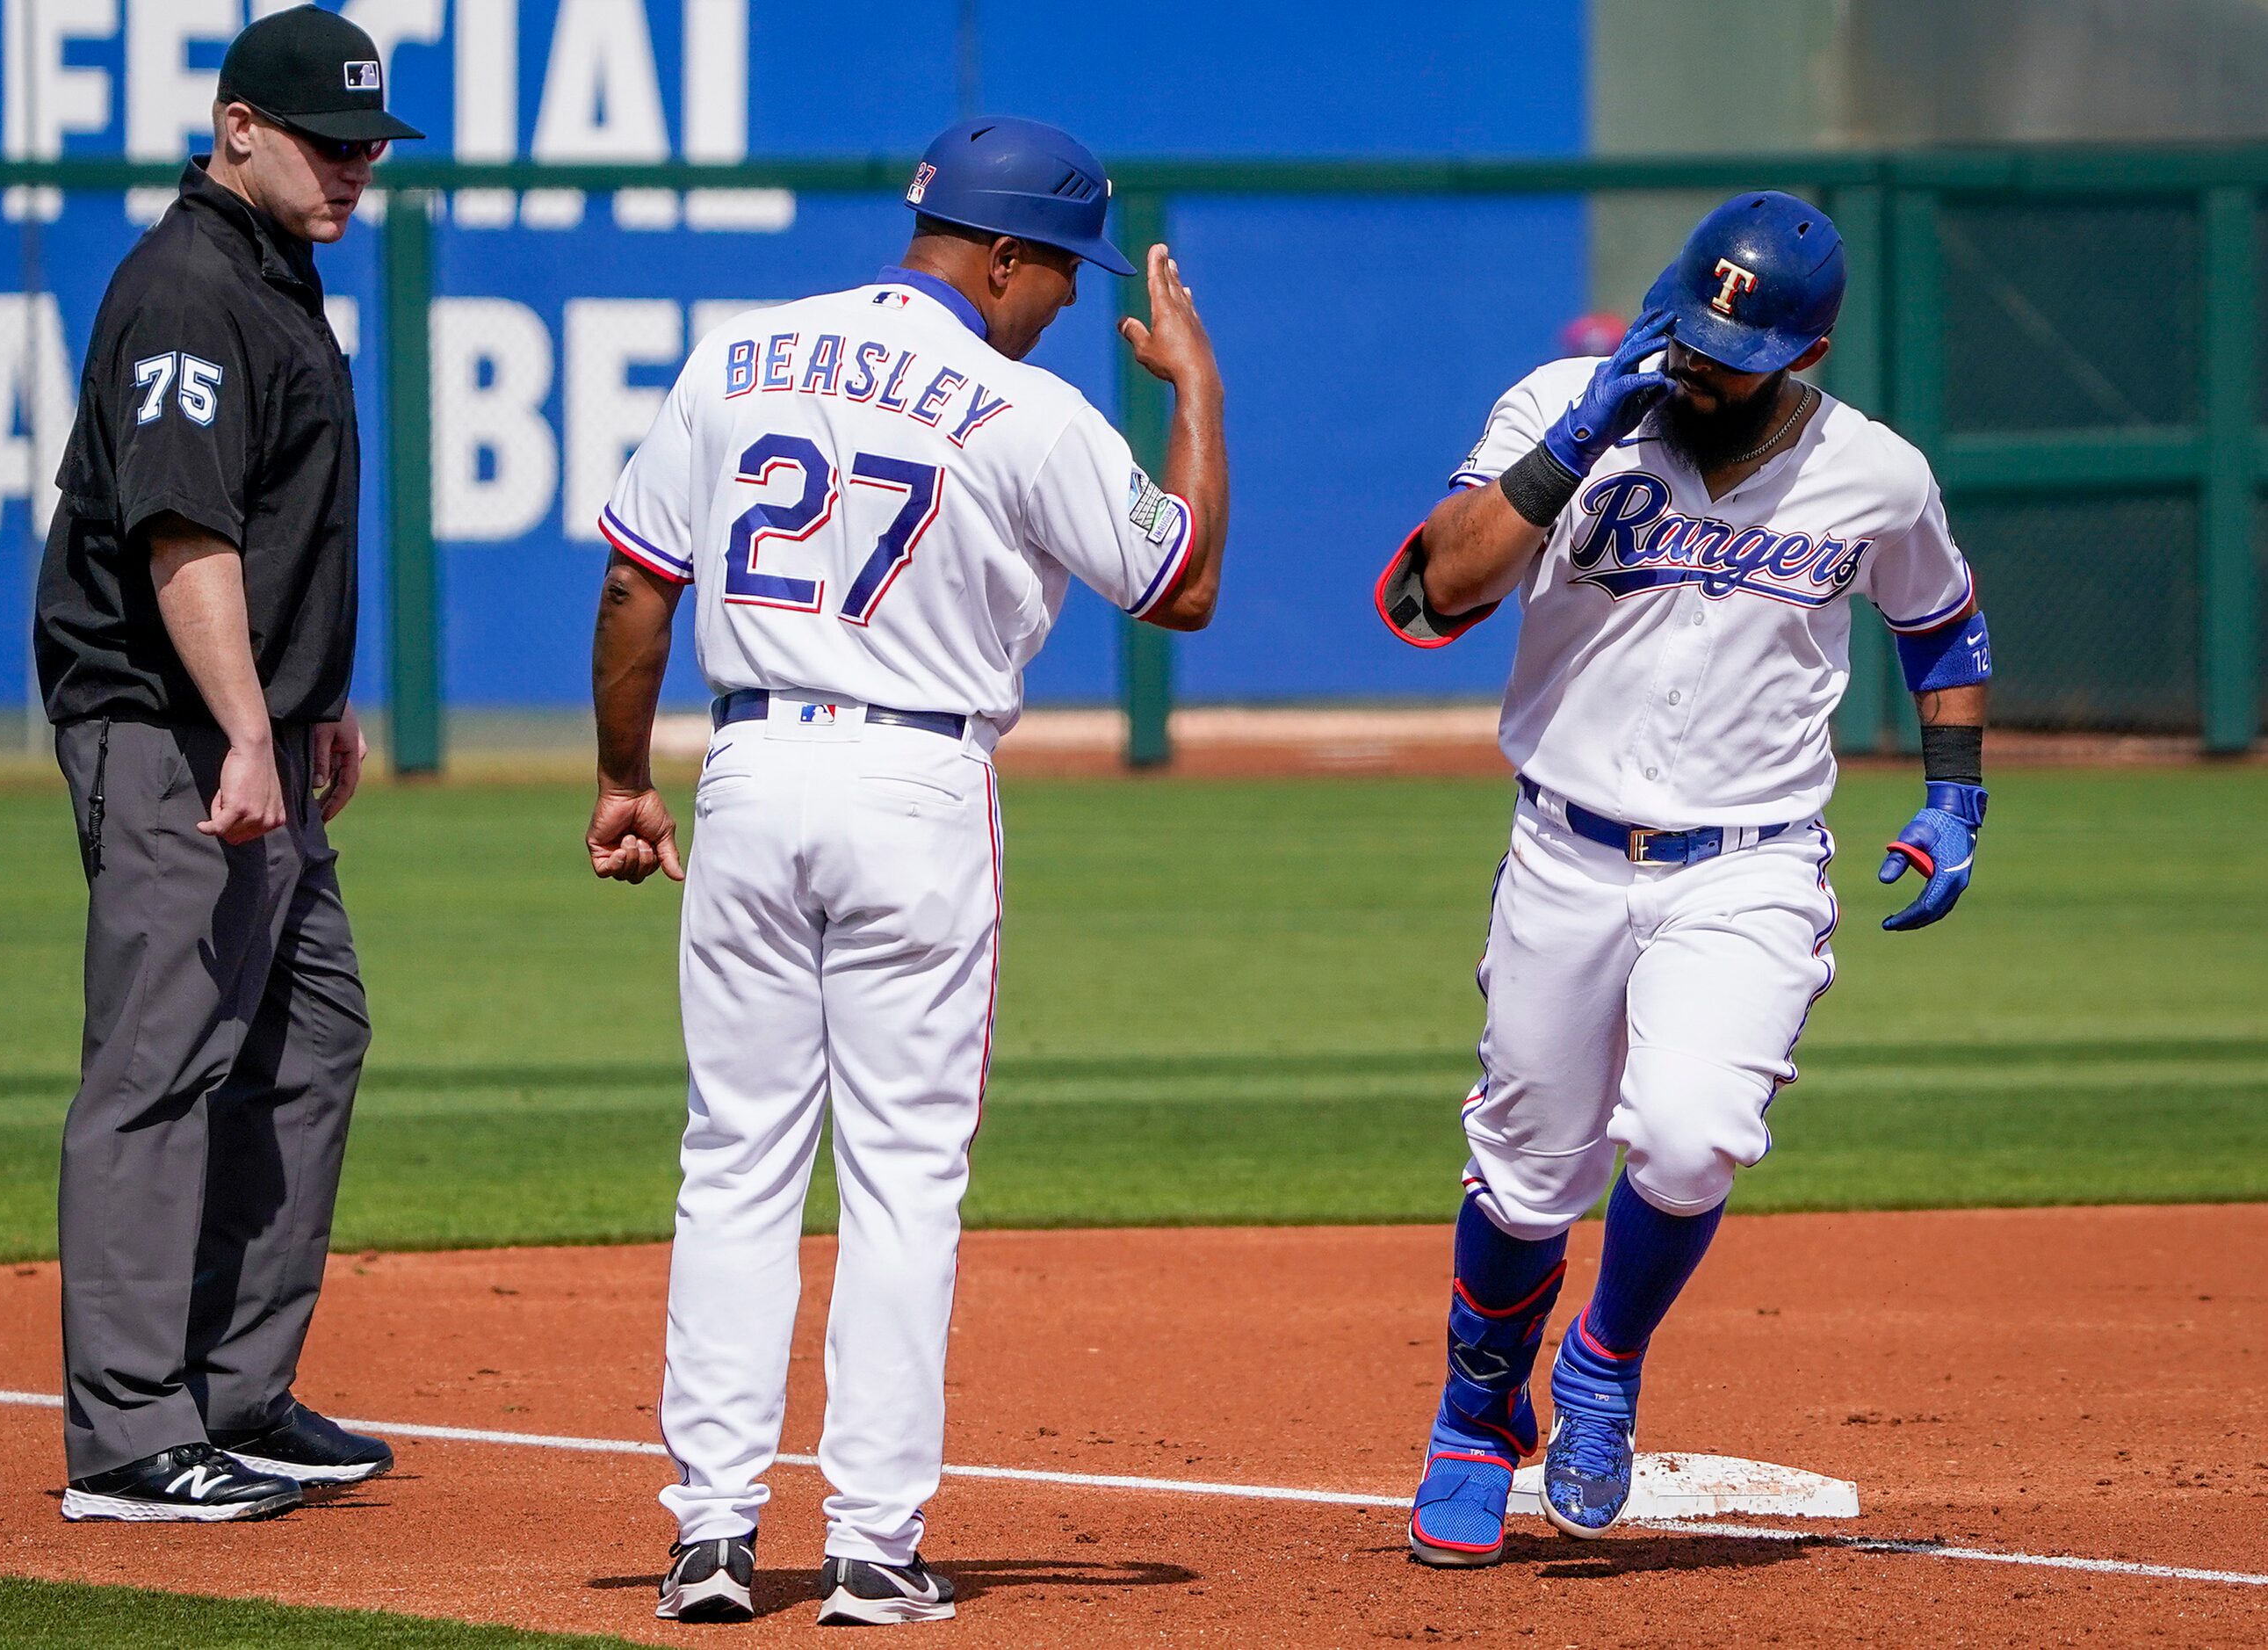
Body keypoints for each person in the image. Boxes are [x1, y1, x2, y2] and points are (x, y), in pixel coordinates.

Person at [589, 117, 1229, 1625]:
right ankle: (873, 1544)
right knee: (900, 1179)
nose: (1067, 298)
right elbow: (1181, 580)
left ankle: (712, 1534)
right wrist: (1194, 386)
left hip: (745, 770)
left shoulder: (735, 358)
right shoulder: (1022, 406)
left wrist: (624, 776)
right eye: (1056, 270)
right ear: (1000, 255)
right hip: (913, 782)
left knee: (733, 1160)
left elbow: (635, 583)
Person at [1376, 192, 1992, 1564]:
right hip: (1563, 849)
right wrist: (1573, 439)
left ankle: (1601, 1361)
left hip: (1751, 861)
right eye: (1690, 327)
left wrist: (1956, 794)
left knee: (1690, 1134)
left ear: (1804, 354)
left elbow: (1940, 623)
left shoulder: (1873, 474)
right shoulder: (1560, 402)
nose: (1696, 361)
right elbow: (1433, 594)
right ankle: (1477, 1414)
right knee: (1529, 1181)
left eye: (1730, 349)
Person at [31, 4, 421, 1523]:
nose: (354, 171)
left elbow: (273, 527)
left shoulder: (274, 271)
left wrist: (310, 696)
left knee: (310, 1029)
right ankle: (129, 1436)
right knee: (156, 1062)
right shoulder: (189, 287)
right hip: (169, 729)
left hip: (250, 720)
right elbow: (183, 531)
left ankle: (232, 1390)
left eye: (371, 149)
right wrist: (248, 725)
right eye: (330, 143)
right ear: (237, 128)